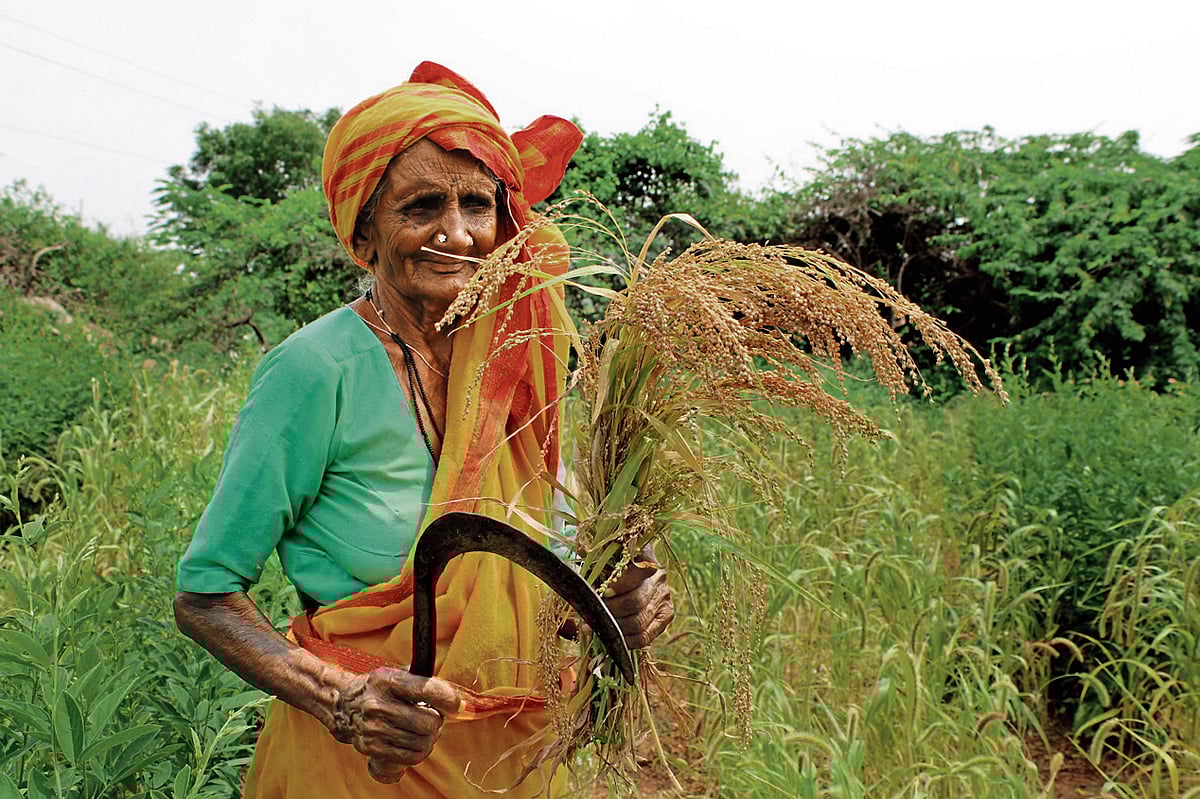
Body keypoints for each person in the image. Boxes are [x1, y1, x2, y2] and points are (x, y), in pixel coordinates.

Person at [174, 62, 674, 798]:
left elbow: (534, 583)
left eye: (478, 204)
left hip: (518, 766)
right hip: (362, 770)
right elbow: (205, 595)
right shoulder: (315, 371)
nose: (458, 233)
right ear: (364, 230)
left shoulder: (524, 362)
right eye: (421, 206)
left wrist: (617, 609)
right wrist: (339, 700)